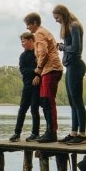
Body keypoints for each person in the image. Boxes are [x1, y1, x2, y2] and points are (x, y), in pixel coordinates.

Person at [23, 11, 62, 142]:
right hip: (52, 69)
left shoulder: (39, 33)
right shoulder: (44, 32)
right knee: (46, 101)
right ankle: (50, 131)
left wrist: (38, 70)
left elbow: (43, 52)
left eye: (28, 25)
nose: (28, 28)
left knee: (47, 101)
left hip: (50, 69)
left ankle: (51, 132)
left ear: (34, 23)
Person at [52, 3, 86, 144]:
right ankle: (74, 133)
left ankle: (83, 135)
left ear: (63, 14)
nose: (56, 20)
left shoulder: (74, 26)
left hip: (76, 66)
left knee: (77, 101)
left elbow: (76, 48)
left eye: (57, 17)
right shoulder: (69, 27)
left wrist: (62, 47)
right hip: (70, 66)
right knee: (72, 102)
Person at [10, 31, 40, 141]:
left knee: (34, 110)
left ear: (31, 40)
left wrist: (38, 75)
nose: (22, 44)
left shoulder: (38, 53)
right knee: (22, 109)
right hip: (27, 85)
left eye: (24, 41)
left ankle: (35, 134)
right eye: (21, 42)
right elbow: (23, 70)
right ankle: (17, 133)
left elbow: (42, 67)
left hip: (37, 86)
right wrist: (34, 71)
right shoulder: (23, 56)